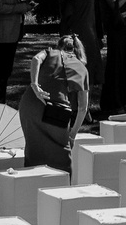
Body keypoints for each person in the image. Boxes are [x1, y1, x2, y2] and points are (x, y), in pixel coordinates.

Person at [17, 43, 92, 172]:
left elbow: (35, 59)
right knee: (61, 156)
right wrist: (72, 136)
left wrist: (34, 85)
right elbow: (82, 108)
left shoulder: (48, 52)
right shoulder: (81, 68)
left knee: (34, 150)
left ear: (60, 46)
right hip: (55, 110)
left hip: (29, 103)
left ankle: (31, 188)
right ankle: (58, 188)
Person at [62, 0, 101, 75]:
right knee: (82, 57)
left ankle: (89, 89)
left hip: (89, 26)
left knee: (92, 57)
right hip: (80, 27)